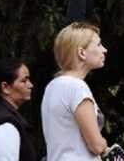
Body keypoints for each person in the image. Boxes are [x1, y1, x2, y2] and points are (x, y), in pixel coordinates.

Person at [41, 21, 110, 161]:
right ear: (81, 53)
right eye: (98, 44)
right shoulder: (78, 88)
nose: (104, 50)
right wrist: (105, 145)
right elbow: (96, 145)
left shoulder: (52, 87)